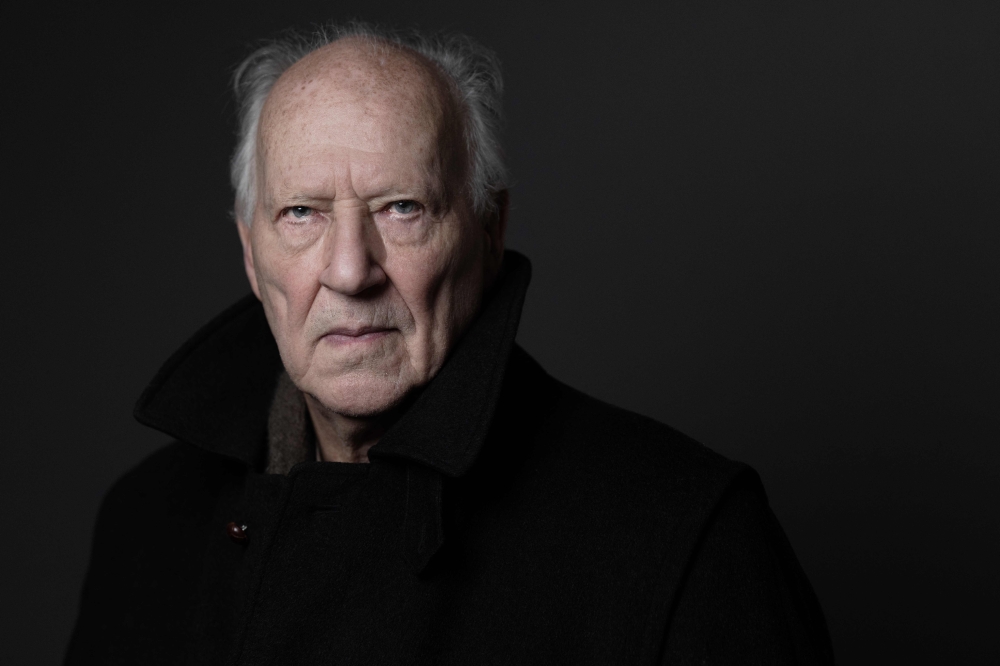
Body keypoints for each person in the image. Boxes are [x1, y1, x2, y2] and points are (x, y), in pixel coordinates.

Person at [66, 22, 834, 665]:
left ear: (488, 229)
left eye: (402, 208)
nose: (348, 270)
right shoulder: (145, 522)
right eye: (300, 213)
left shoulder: (685, 535)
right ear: (249, 250)